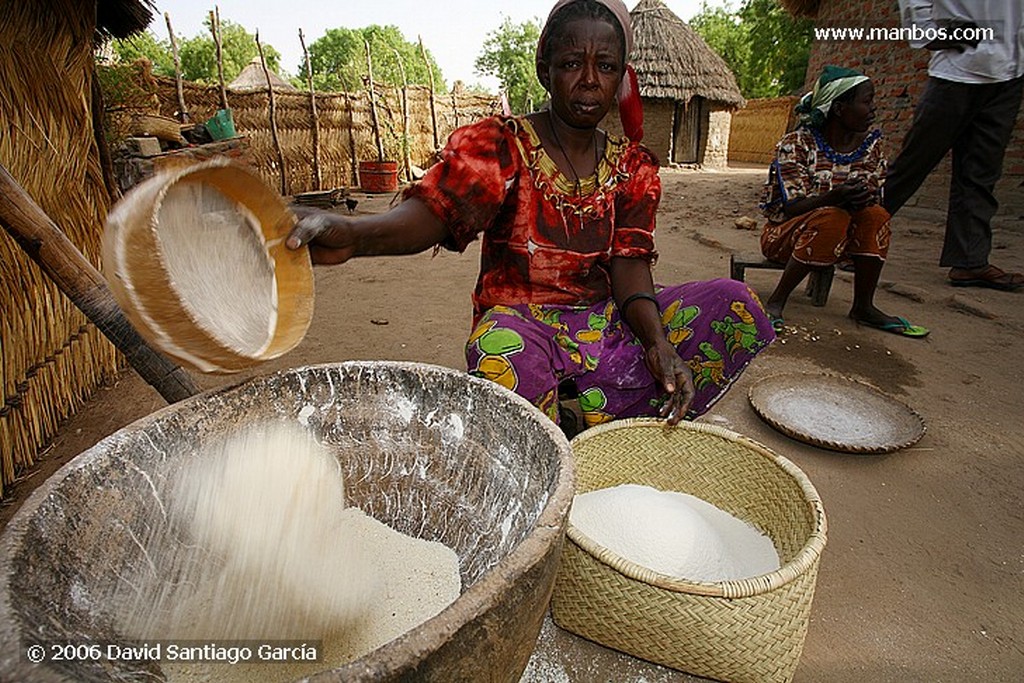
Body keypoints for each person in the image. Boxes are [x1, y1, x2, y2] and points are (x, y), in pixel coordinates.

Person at [286, 0, 775, 434]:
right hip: (522, 322)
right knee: (504, 356)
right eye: (570, 64)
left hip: (603, 322)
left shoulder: (634, 166)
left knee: (734, 305)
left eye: (605, 66)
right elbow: (438, 212)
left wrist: (656, 342)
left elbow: (630, 266)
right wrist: (354, 235)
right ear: (545, 71)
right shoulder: (505, 145)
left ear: (621, 77)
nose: (588, 80)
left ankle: (601, 428)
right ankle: (558, 433)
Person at [758, 66, 929, 338]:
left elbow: (875, 190)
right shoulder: (796, 144)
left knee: (876, 215)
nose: (873, 109)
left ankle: (864, 306)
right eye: (866, 101)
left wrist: (863, 197)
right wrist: (836, 197)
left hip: (844, 241)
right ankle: (776, 301)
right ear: (839, 108)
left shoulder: (870, 146)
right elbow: (792, 207)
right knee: (832, 216)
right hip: (784, 236)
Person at [883, 1, 1023, 291]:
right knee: (913, 163)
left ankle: (970, 262)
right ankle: (851, 241)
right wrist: (926, 32)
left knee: (981, 174)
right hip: (956, 70)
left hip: (1010, 74)